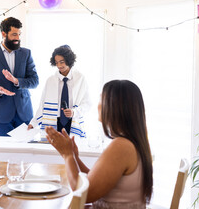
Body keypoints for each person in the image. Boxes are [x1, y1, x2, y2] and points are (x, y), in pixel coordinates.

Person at [46, 80, 153, 208]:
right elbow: (95, 180)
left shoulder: (122, 146)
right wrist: (75, 157)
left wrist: (67, 155)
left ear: (114, 107)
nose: (98, 105)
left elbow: (84, 195)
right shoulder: (130, 142)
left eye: (101, 99)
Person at [0, 17, 39, 136]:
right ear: (4, 34)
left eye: (19, 34)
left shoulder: (26, 54)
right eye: (14, 34)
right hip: (2, 116)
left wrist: (17, 81)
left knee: (26, 153)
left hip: (24, 114)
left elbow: (34, 81)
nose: (17, 38)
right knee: (3, 153)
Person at [28, 45, 91, 138]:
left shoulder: (80, 78)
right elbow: (42, 105)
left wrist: (74, 112)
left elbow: (87, 103)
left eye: (62, 62)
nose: (59, 65)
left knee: (71, 150)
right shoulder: (50, 80)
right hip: (54, 121)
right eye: (56, 62)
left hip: (72, 122)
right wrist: (33, 123)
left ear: (69, 61)